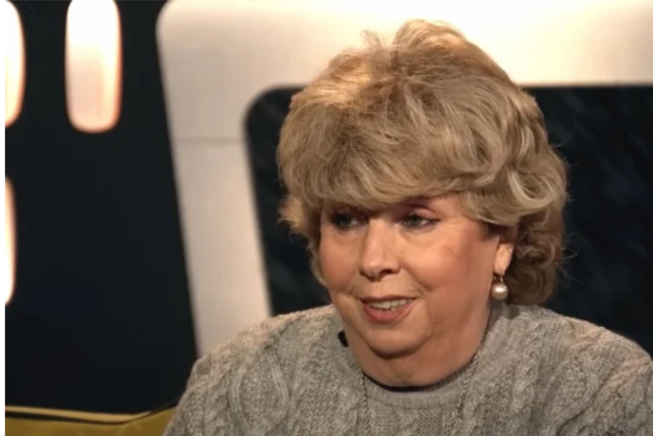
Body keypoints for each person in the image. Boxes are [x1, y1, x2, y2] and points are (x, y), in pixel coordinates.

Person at [164, 20, 652, 436]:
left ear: (502, 239)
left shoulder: (596, 392)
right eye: (347, 219)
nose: (374, 260)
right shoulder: (241, 384)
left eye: (416, 219)